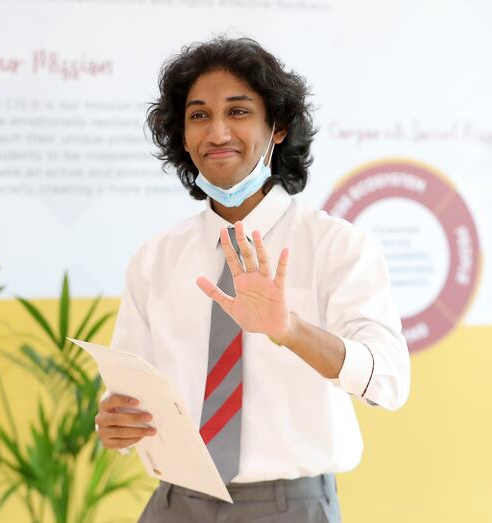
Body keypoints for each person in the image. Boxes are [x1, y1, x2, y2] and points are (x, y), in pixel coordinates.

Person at [95, 36, 410, 522]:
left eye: (238, 112)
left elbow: (389, 381)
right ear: (182, 135)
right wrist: (115, 420)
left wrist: (290, 331)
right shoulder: (154, 259)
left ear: (277, 128)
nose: (217, 131)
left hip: (288, 507)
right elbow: (129, 387)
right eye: (199, 115)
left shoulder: (336, 246)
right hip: (176, 503)